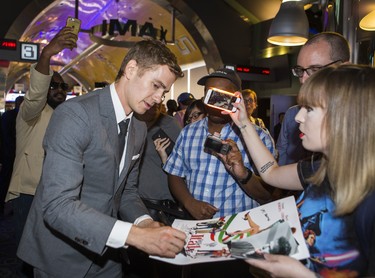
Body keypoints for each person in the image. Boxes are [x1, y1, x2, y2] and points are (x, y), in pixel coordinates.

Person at [16, 38, 186, 277]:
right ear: (131, 69)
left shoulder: (138, 126)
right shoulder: (76, 115)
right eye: (155, 85)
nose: (159, 98)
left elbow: (126, 190)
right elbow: (58, 206)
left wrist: (144, 222)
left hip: (108, 254)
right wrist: (135, 235)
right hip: (60, 254)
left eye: (164, 91)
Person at [227, 64, 375, 277]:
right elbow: (271, 173)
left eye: (310, 109)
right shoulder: (323, 168)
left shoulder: (369, 200)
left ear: (346, 117)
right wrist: (243, 124)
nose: (298, 117)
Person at [164, 68, 276, 220]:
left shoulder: (259, 138)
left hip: (238, 229)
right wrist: (189, 203)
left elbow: (267, 195)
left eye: (222, 96)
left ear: (237, 98)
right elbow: (174, 173)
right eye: (209, 94)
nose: (214, 102)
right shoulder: (188, 132)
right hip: (195, 227)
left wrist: (243, 173)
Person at [5, 27, 73, 256]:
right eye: (53, 85)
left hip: (59, 193)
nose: (59, 90)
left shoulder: (67, 115)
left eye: (63, 86)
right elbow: (35, 94)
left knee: (50, 253)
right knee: (27, 254)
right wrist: (46, 56)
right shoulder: (31, 112)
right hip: (28, 194)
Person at [276, 32, 350, 165]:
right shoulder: (292, 115)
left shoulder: (362, 119)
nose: (304, 80)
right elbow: (276, 171)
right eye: (300, 70)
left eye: (315, 69)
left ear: (343, 68)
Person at [0, 96, 24, 215]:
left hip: (9, 155)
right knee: (7, 181)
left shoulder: (7, 116)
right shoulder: (13, 117)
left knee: (6, 181)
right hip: (11, 155)